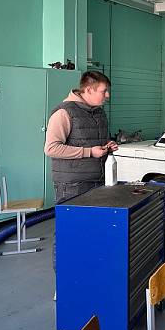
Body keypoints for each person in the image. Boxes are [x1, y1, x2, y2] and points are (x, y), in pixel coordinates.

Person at [44, 71, 118, 277]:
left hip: (97, 182)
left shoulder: (98, 112)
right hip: (73, 185)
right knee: (69, 233)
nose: (107, 95)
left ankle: (87, 278)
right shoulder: (64, 113)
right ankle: (64, 283)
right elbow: (51, 148)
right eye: (104, 91)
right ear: (89, 90)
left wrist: (107, 146)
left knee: (94, 232)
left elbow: (93, 142)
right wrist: (89, 152)